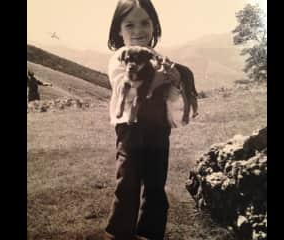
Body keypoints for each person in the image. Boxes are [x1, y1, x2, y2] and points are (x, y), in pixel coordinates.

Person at [103, 1, 182, 239]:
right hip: (130, 128)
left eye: (145, 23)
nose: (138, 30)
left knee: (156, 183)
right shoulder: (119, 58)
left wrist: (175, 81)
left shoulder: (159, 58)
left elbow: (172, 96)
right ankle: (120, 232)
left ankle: (150, 232)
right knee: (128, 182)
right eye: (130, 24)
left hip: (159, 128)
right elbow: (122, 89)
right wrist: (156, 81)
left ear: (154, 25)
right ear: (118, 30)